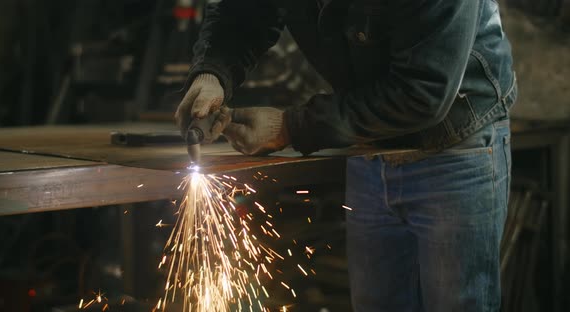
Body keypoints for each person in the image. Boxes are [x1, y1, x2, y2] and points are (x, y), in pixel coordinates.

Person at [175, 0, 517, 311]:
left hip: (454, 145)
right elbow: (245, 11)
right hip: (369, 143)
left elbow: (424, 93)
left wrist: (290, 128)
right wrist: (212, 74)